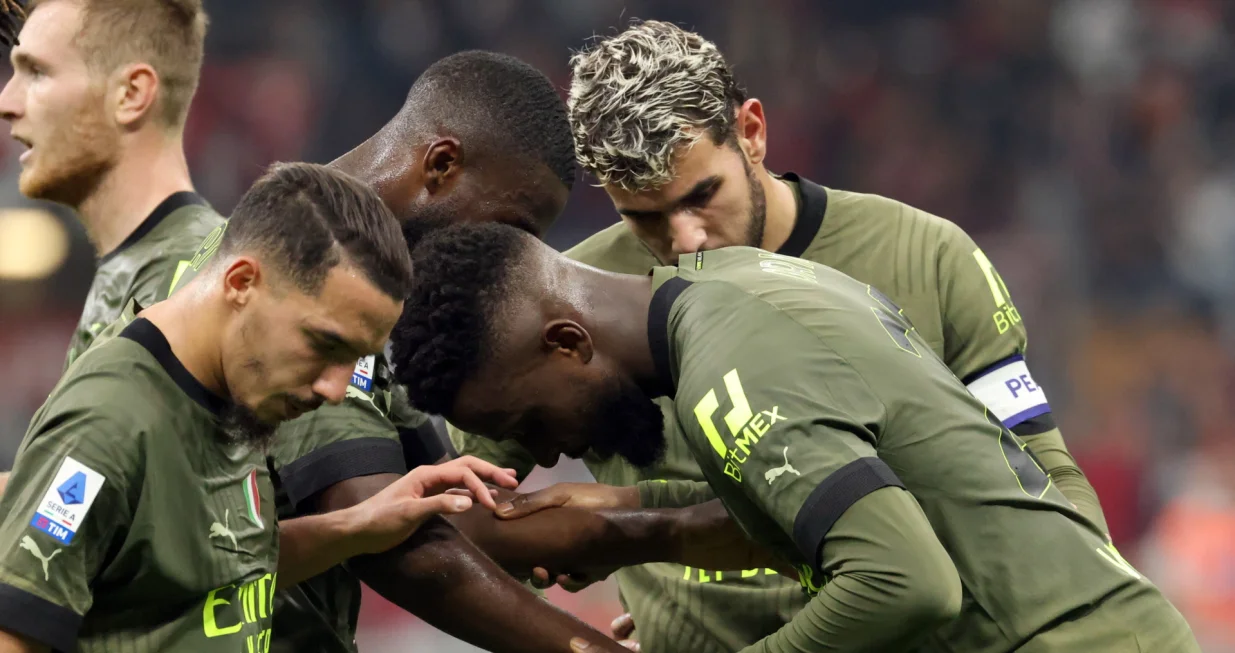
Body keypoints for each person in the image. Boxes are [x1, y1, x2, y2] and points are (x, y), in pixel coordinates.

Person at [452, 20, 1109, 651]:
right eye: (644, 217)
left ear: (752, 132)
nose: (684, 241)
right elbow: (456, 512)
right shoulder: (574, 298)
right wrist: (573, 641)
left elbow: (1044, 481)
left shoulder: (925, 255)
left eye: (701, 195)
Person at [395, 222, 1200, 653]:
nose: (538, 452)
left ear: (567, 343)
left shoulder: (731, 372)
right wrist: (633, 522)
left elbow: (903, 579)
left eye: (525, 422)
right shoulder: (737, 284)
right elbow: (859, 497)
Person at [167, 51, 633, 653]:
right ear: (441, 164)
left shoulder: (365, 289)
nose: (505, 253)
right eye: (511, 226)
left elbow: (445, 511)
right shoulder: (300, 270)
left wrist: (603, 532)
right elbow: (398, 548)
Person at [0, 163, 522, 653]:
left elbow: (215, 565)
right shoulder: (110, 424)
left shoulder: (240, 393)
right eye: (325, 345)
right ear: (241, 282)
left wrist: (358, 524)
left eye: (355, 361)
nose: (336, 390)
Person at [0, 0, 224, 496]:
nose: (7, 101)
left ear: (131, 94)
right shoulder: (129, 278)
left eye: (35, 73)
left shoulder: (218, 281)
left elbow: (378, 515)